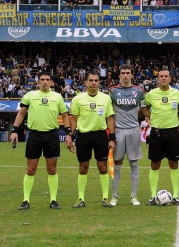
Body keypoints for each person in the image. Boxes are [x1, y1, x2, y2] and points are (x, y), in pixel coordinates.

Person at [10, 71, 74, 210]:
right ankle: (26, 200)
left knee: (52, 169)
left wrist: (69, 133)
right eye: (42, 79)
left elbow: (65, 115)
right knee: (31, 169)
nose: (45, 82)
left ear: (51, 82)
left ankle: (53, 200)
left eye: (47, 79)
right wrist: (14, 130)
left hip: (51, 136)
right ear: (38, 82)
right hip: (34, 136)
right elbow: (21, 114)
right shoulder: (30, 96)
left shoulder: (57, 97)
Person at [70, 72, 116, 208]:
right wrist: (71, 137)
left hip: (100, 135)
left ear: (99, 82)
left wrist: (112, 138)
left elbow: (110, 118)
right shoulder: (78, 99)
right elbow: (74, 119)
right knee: (83, 167)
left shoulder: (106, 98)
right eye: (91, 80)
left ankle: (105, 198)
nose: (93, 82)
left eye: (96, 80)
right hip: (83, 136)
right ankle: (80, 198)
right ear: (86, 82)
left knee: (102, 167)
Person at [109, 64, 150, 206]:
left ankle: (134, 196)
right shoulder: (113, 91)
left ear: (132, 75)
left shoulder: (139, 91)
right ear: (119, 75)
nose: (125, 75)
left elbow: (144, 110)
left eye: (128, 73)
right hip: (119, 130)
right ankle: (114, 196)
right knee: (117, 163)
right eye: (123, 73)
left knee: (134, 162)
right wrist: (111, 135)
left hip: (133, 130)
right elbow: (109, 113)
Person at [145, 69, 179, 206]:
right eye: (161, 76)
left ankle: (176, 195)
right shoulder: (151, 94)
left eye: (166, 76)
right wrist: (152, 116)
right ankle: (152, 195)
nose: (163, 78)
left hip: (173, 132)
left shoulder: (177, 94)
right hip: (157, 133)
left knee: (173, 163)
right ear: (158, 79)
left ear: (170, 78)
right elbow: (144, 108)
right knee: (155, 163)